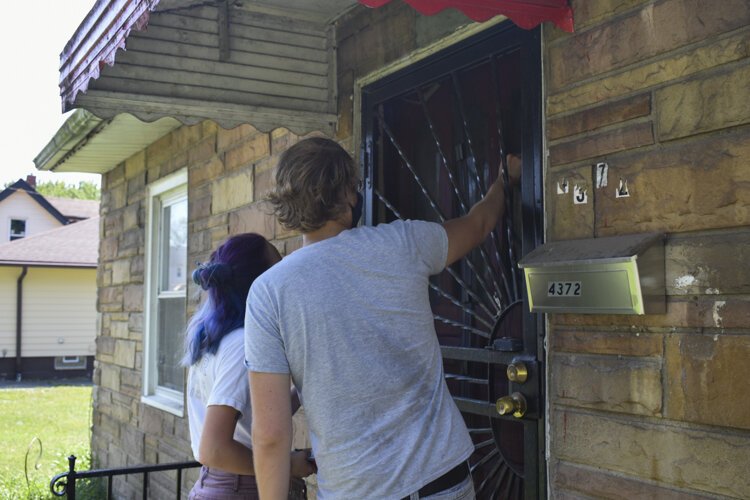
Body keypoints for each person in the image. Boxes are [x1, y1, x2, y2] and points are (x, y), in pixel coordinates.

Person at [245, 137, 520, 499]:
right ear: (346, 194)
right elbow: (479, 223)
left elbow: (270, 437)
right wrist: (504, 179)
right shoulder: (405, 243)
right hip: (442, 482)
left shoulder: (269, 292)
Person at [184, 233, 315, 500]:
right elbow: (214, 447)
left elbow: (252, 415)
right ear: (260, 284)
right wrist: (288, 465)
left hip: (224, 484)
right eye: (278, 271)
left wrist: (304, 387)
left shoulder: (214, 337)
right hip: (241, 488)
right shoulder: (241, 344)